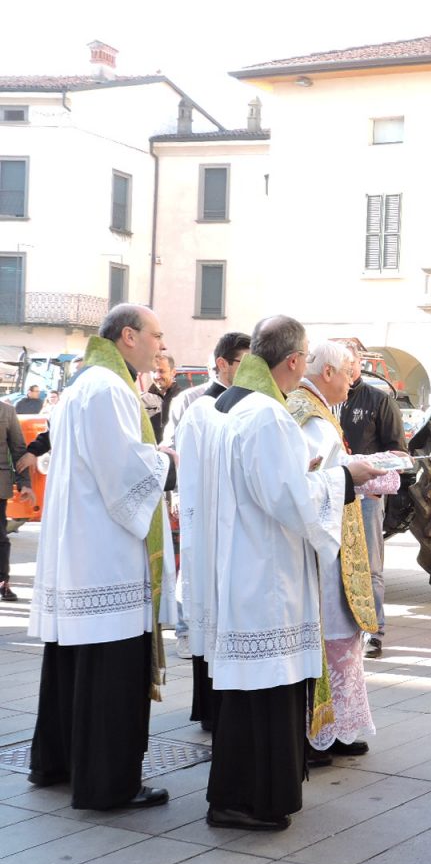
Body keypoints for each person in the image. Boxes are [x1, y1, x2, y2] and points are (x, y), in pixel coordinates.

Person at [203, 316, 384, 831]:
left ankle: (242, 795)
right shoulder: (267, 415)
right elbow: (290, 499)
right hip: (267, 579)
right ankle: (244, 800)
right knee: (261, 692)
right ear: (295, 361)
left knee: (251, 694)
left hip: (251, 569)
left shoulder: (241, 408)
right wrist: (343, 478)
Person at [26, 303, 177, 811]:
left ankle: (60, 763)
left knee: (74, 665)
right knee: (109, 672)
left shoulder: (83, 384)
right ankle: (109, 783)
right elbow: (125, 474)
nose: (161, 346)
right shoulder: (110, 388)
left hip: (81, 551)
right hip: (107, 554)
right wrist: (167, 460)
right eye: (156, 335)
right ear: (129, 336)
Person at [286, 341, 379, 764]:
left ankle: (338, 727)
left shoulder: (314, 409)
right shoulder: (310, 417)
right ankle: (321, 732)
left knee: (340, 641)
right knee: (332, 641)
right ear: (326, 373)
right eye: (347, 372)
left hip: (330, 539)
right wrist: (357, 475)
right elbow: (313, 485)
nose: (352, 380)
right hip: (323, 550)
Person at [164, 331, 250, 675]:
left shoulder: (248, 406)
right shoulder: (198, 408)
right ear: (222, 364)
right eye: (244, 363)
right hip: (208, 524)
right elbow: (182, 465)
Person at [339, 356, 404, 658]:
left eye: (348, 362)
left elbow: (398, 453)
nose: (344, 368)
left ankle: (374, 632)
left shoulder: (379, 400)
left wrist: (374, 484)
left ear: (357, 365)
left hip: (366, 498)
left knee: (370, 567)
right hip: (331, 495)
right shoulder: (322, 403)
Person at [0, 398, 32, 601]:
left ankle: (3, 580)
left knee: (0, 536)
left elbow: (19, 449)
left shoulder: (7, 411)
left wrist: (24, 483)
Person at [144, 354, 181, 439]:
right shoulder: (144, 400)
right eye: (153, 371)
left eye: (161, 371)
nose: (157, 376)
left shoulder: (181, 399)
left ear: (173, 372)